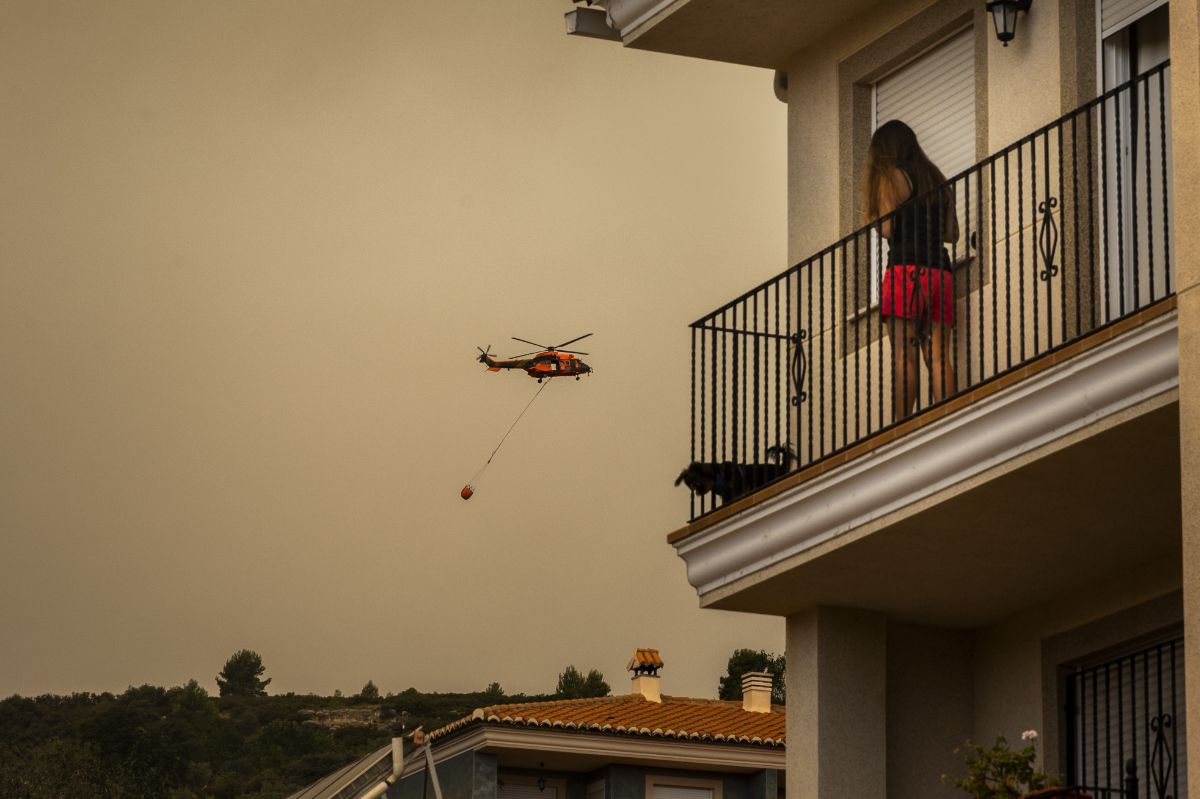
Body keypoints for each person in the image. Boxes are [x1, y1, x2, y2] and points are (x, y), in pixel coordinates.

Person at [862, 120, 959, 421]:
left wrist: (874, 218)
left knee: (904, 358)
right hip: (939, 273)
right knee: (939, 354)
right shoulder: (936, 179)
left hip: (906, 273)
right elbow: (952, 234)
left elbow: (889, 229)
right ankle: (949, 417)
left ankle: (900, 429)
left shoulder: (889, 177)